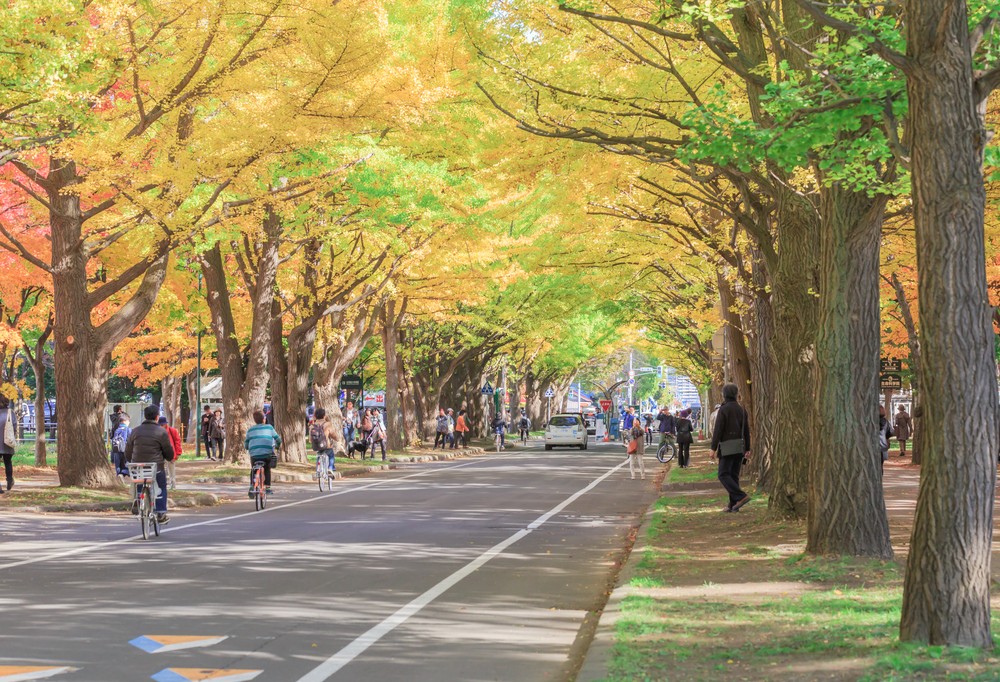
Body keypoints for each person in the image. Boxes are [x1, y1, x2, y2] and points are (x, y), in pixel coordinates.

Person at [125, 405, 175, 524]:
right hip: (155, 467)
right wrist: (168, 457)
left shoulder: (135, 431)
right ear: (157, 417)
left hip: (138, 467)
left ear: (145, 416)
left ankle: (138, 501)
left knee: (140, 480)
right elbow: (168, 451)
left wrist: (130, 460)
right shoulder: (161, 432)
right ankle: (161, 512)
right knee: (161, 486)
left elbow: (128, 450)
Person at [710, 383, 751, 513]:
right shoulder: (741, 409)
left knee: (723, 474)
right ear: (736, 394)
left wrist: (713, 448)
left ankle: (741, 496)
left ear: (724, 394)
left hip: (727, 447)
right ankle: (733, 505)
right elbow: (746, 430)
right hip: (739, 447)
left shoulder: (724, 409)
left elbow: (718, 430)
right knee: (733, 476)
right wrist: (748, 448)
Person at [245, 409, 281, 496]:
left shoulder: (250, 430)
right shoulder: (269, 427)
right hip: (266, 454)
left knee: (253, 468)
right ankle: (268, 487)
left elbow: (246, 444)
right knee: (267, 468)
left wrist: (247, 448)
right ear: (263, 419)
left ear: (254, 420)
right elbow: (278, 439)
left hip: (254, 454)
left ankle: (252, 486)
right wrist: (277, 446)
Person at [158, 416, 183, 490]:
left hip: (171, 454)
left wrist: (178, 453)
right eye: (160, 425)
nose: (161, 426)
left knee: (171, 471)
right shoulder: (157, 432)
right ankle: (163, 485)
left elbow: (177, 442)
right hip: (161, 454)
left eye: (162, 425)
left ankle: (173, 485)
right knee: (162, 470)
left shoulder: (172, 431)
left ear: (166, 424)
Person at [309, 408, 336, 476]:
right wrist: (337, 439)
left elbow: (310, 439)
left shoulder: (312, 426)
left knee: (319, 455)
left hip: (316, 446)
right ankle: (330, 468)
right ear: (324, 416)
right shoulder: (327, 424)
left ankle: (318, 471)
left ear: (315, 416)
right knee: (331, 454)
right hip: (326, 445)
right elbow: (333, 434)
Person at [110, 413, 132, 479]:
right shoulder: (128, 429)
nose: (129, 422)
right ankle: (125, 474)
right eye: (128, 421)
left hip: (116, 449)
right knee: (125, 464)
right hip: (125, 449)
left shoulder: (116, 429)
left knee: (118, 464)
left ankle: (119, 475)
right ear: (124, 421)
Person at [0, 396, 15, 493]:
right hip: (7, 441)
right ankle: (9, 480)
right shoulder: (10, 413)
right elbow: (14, 426)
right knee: (8, 462)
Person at [878, 405, 893, 474]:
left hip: (871, 446)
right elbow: (890, 432)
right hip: (882, 446)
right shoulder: (886, 422)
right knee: (880, 465)